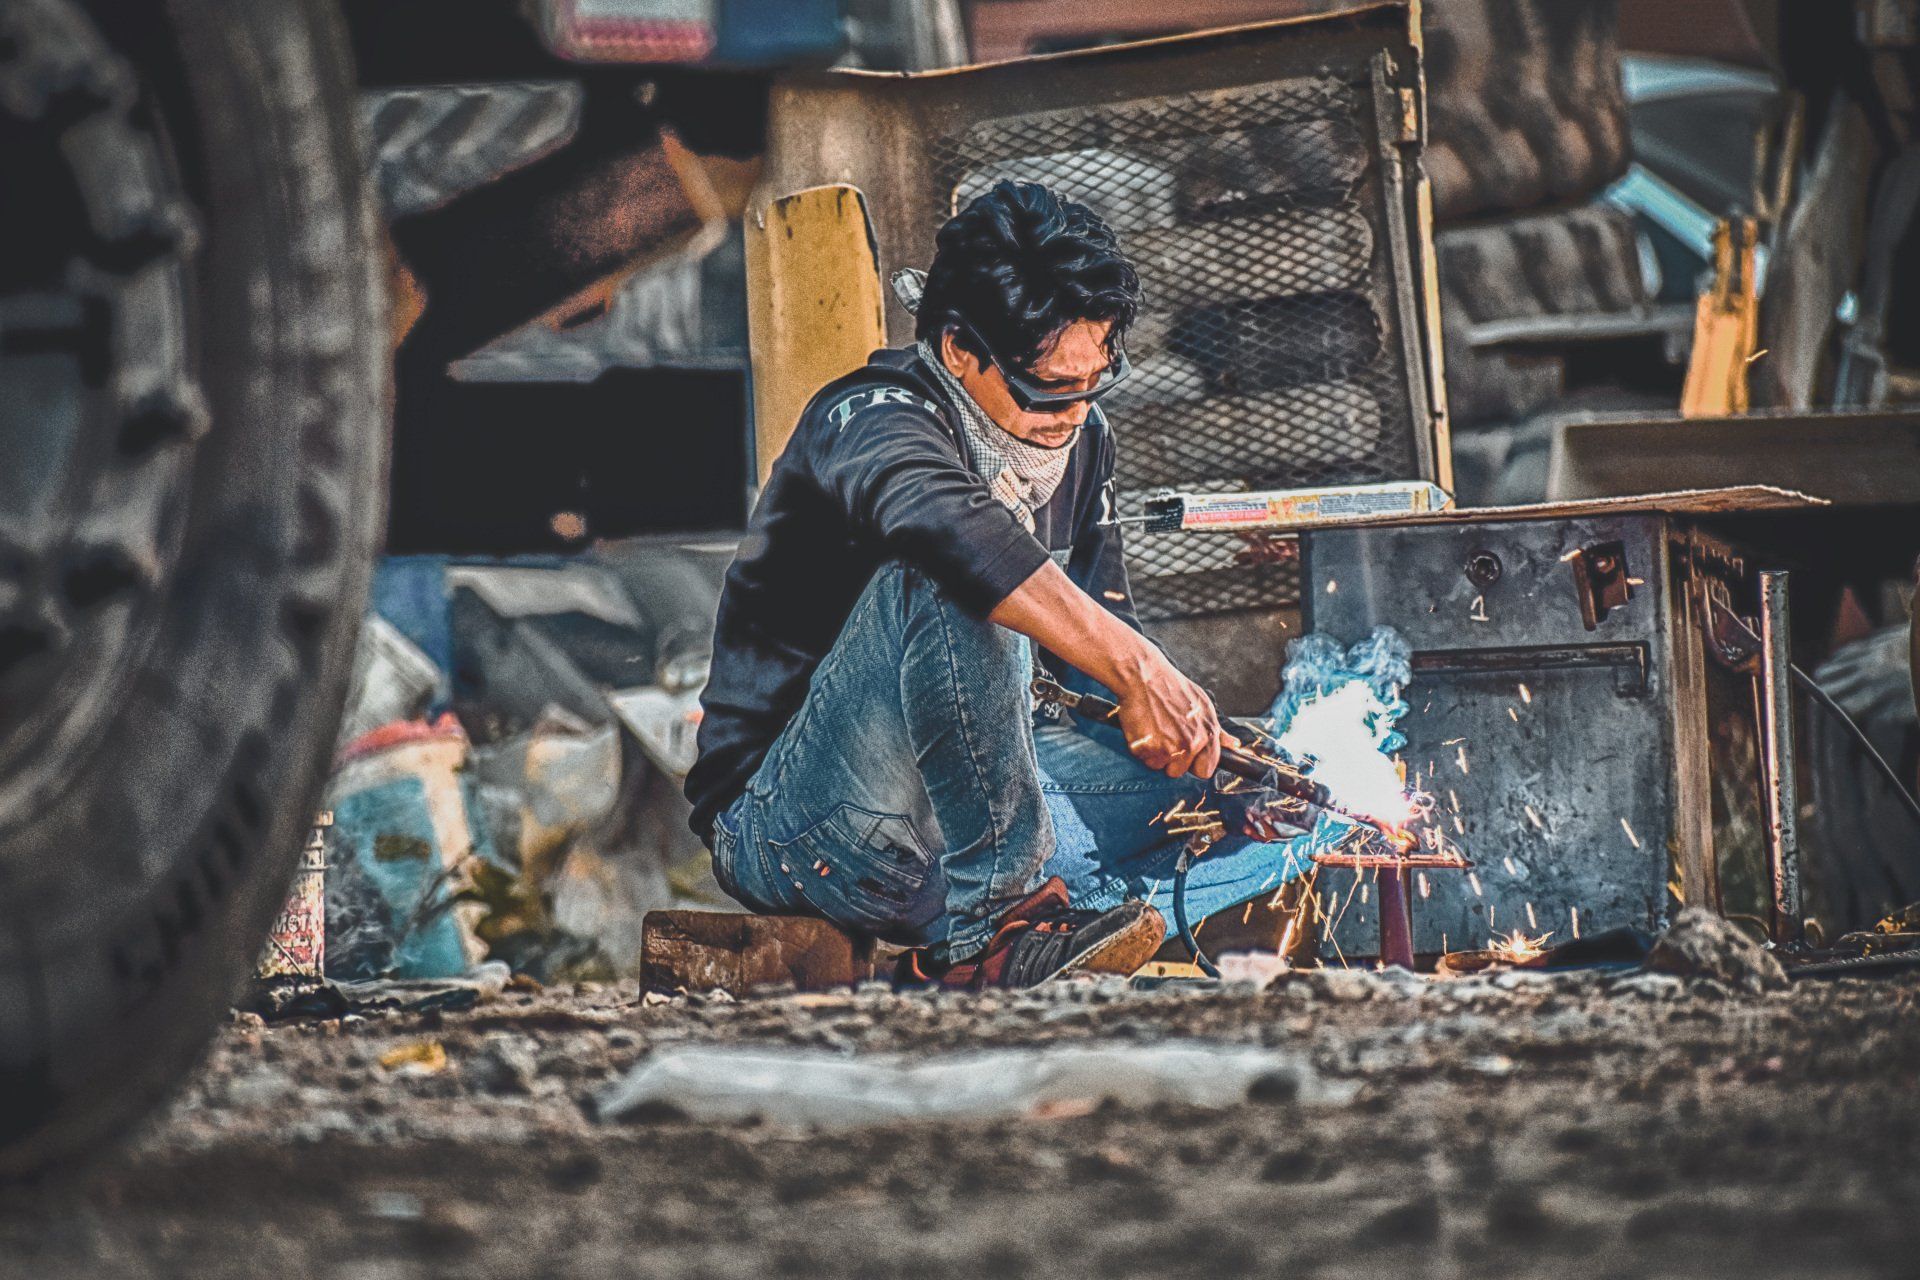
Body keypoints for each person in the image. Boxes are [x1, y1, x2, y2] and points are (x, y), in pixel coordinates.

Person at [686, 180, 1313, 989]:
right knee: (952, 575)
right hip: (802, 824)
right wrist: (1140, 667)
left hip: (974, 822)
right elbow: (950, 532)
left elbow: (1093, 667)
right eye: (1047, 387)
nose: (1073, 413)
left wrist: (1211, 759)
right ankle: (994, 933)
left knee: (1271, 808)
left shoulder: (1084, 446)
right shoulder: (870, 418)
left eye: (1094, 383)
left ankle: (1002, 927)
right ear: (958, 349)